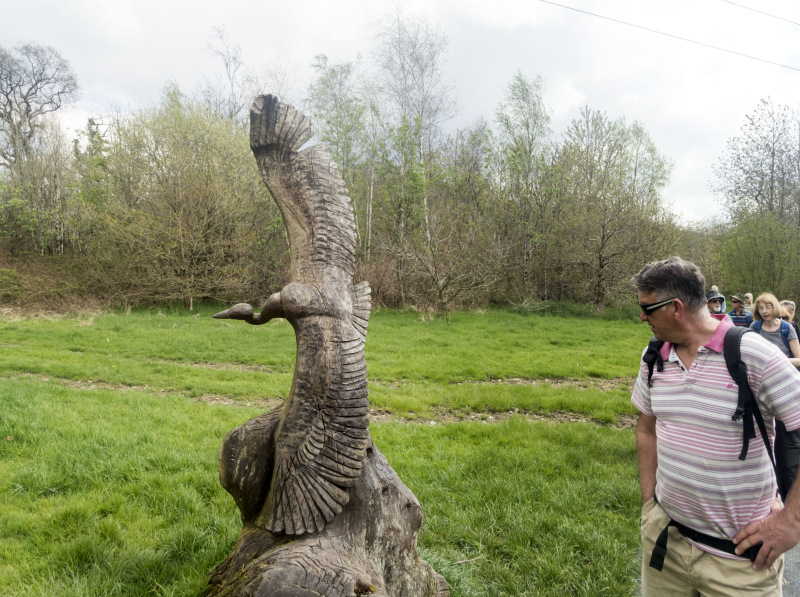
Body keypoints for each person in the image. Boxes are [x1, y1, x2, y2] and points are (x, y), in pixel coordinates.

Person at [632, 257, 800, 596]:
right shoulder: (654, 357)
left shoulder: (754, 355)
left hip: (741, 563)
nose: (642, 317)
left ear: (675, 307)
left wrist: (792, 521)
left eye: (647, 308)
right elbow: (646, 430)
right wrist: (650, 504)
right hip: (667, 545)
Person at [751, 293, 800, 501]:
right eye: (761, 308)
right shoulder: (754, 329)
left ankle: (791, 496)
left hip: (785, 391)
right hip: (760, 394)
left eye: (768, 307)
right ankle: (770, 492)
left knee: (787, 445)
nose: (765, 311)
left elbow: (799, 359)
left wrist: (773, 362)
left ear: (775, 308)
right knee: (765, 443)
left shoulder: (786, 328)